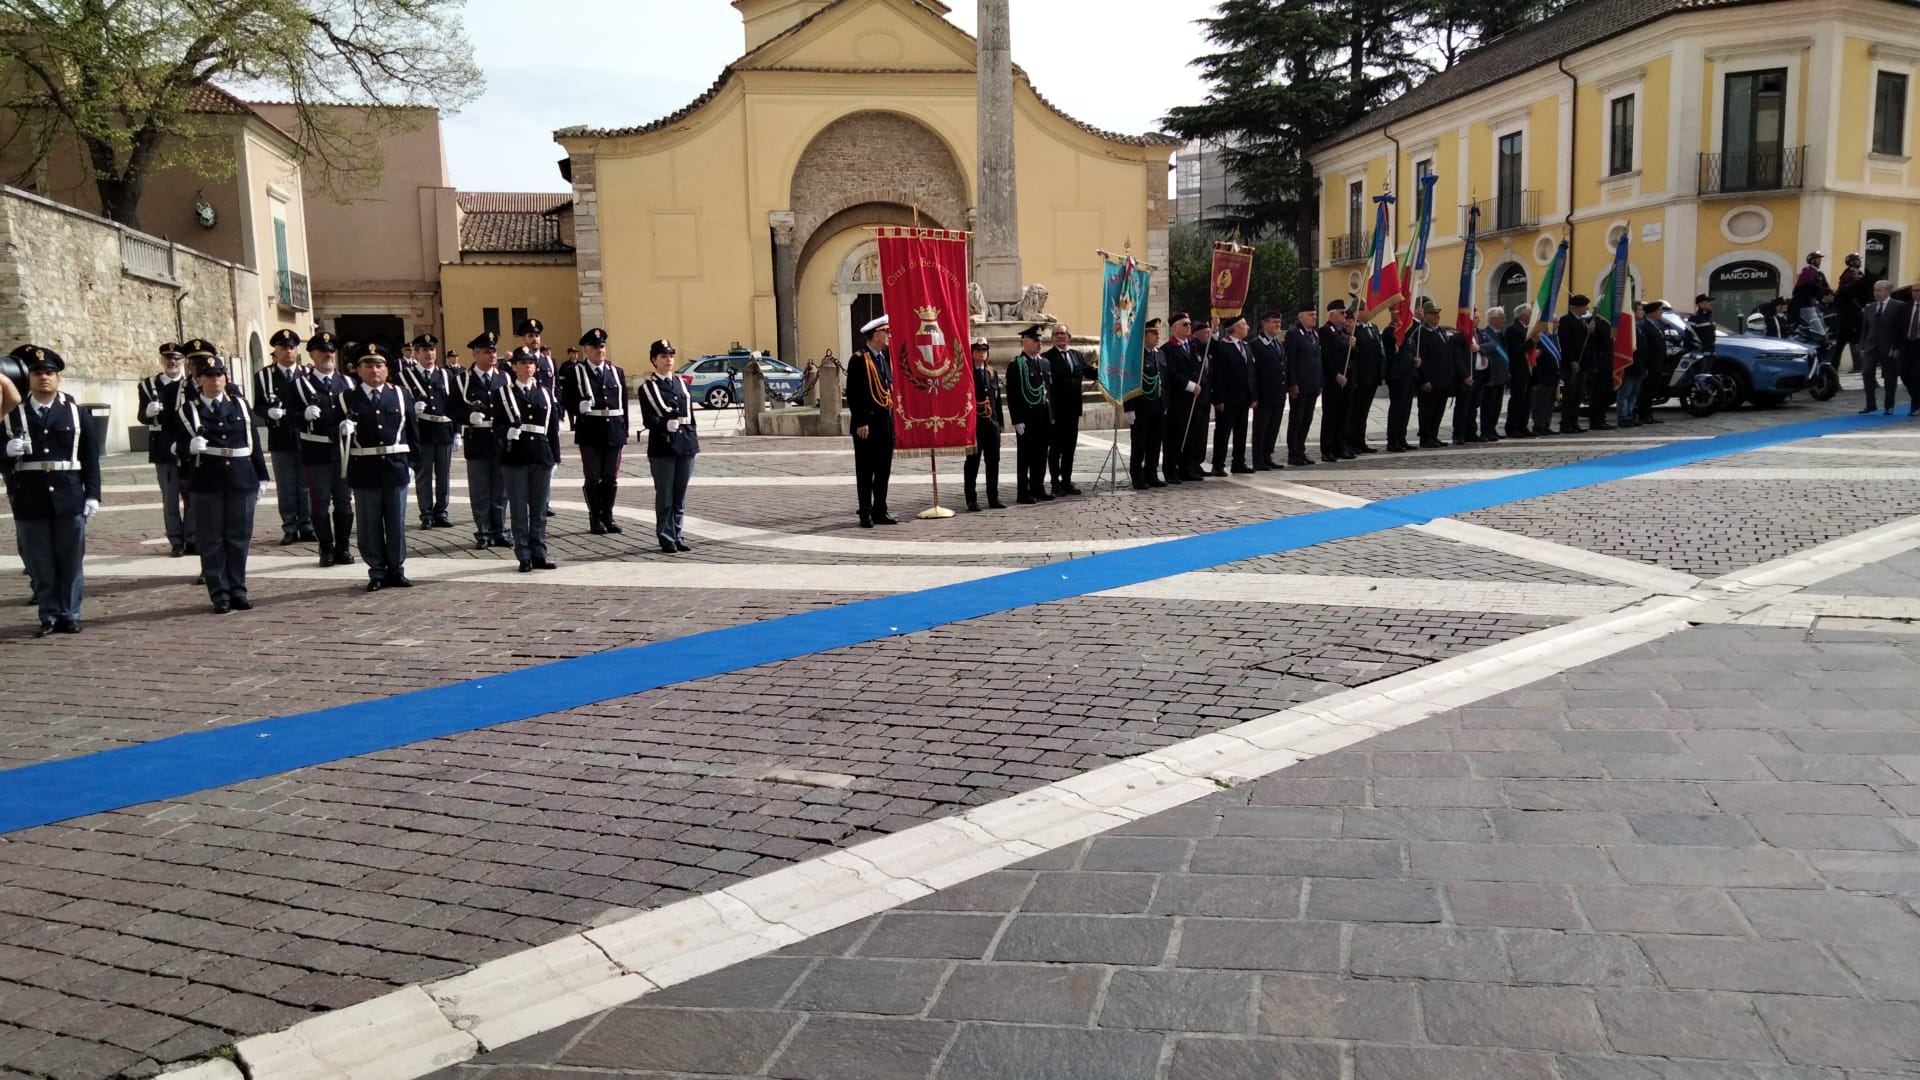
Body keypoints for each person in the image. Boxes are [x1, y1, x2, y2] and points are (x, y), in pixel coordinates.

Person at [4, 345, 100, 635]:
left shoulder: (75, 413)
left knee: (70, 561)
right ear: (28, 379)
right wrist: (6, 452)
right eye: (37, 373)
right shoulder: (11, 415)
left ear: (58, 378)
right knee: (41, 562)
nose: (44, 378)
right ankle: (49, 615)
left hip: (68, 495)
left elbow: (90, 457)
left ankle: (70, 613)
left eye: (50, 373)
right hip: (30, 497)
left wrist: (93, 494)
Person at [181, 353, 268, 613]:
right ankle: (219, 593)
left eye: (219, 374)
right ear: (199, 380)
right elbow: (172, 445)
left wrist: (261, 476)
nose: (215, 379)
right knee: (211, 539)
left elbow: (253, 443)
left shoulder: (240, 405)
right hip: (207, 480)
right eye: (208, 375)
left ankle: (238, 590)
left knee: (239, 537)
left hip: (241, 478)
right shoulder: (189, 409)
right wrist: (188, 446)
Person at [338, 343, 419, 591]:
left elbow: (413, 432)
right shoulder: (346, 398)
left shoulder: (400, 395)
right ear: (358, 371)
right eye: (368, 365)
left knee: (396, 521)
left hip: (395, 467)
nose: (374, 370)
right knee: (369, 523)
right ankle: (376, 571)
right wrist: (341, 430)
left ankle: (396, 569)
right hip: (365, 468)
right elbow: (334, 434)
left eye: (379, 365)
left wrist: (414, 463)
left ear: (387, 369)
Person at [293, 332, 356, 567]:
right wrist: (303, 416)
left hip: (341, 451)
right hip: (316, 450)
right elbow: (291, 417)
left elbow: (356, 410)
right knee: (319, 501)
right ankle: (325, 548)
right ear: (312, 355)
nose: (327, 355)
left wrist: (350, 424)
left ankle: (343, 547)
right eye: (321, 351)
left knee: (343, 500)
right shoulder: (300, 384)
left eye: (330, 351)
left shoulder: (347, 383)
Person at [497, 347, 561, 570]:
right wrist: (506, 432)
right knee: (518, 508)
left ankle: (539, 551)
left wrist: (555, 458)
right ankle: (523, 554)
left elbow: (552, 429)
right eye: (522, 363)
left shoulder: (544, 393)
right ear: (513, 366)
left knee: (539, 508)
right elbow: (495, 425)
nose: (527, 366)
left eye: (531, 363)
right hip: (515, 456)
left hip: (541, 454)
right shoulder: (503, 393)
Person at [564, 328, 630, 535]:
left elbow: (624, 404)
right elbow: (565, 399)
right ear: (585, 349)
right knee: (593, 476)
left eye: (602, 346)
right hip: (590, 431)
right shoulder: (575, 372)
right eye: (594, 347)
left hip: (613, 430)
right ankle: (595, 517)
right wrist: (577, 408)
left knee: (611, 477)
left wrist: (624, 430)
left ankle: (607, 516)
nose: (599, 350)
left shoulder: (615, 371)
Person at [451, 331, 511, 549]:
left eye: (494, 351)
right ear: (476, 354)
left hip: (500, 438)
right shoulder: (462, 380)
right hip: (477, 438)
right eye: (487, 352)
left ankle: (500, 529)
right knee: (480, 489)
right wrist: (467, 417)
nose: (492, 355)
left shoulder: (504, 377)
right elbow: (451, 408)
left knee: (500, 489)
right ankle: (483, 531)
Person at [639, 338, 699, 552]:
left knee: (679, 494)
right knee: (665, 494)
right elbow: (649, 419)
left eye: (671, 355)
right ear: (654, 360)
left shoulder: (682, 383)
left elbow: (690, 415)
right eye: (663, 356)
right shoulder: (648, 387)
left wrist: (692, 438)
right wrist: (665, 424)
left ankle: (678, 533)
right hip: (663, 447)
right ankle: (666, 536)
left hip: (685, 443)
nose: (668, 360)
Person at [254, 328, 313, 545]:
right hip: (280, 437)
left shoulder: (307, 374)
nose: (288, 352)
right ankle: (289, 526)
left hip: (306, 436)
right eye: (283, 348)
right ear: (275, 351)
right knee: (286, 485)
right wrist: (267, 412)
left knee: (306, 484)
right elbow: (257, 405)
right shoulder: (264, 376)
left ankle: (307, 525)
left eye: (291, 347)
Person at [138, 342, 192, 555]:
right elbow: (141, 416)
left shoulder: (189, 385)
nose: (173, 362)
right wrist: (148, 413)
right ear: (162, 359)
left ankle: (192, 537)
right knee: (170, 499)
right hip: (162, 448)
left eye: (177, 358)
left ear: (183, 361)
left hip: (186, 447)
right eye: (169, 357)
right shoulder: (148, 385)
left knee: (191, 497)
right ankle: (176, 541)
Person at [398, 333, 455, 529]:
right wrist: (411, 409)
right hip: (421, 430)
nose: (429, 354)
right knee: (423, 475)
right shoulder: (405, 376)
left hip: (443, 430)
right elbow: (399, 405)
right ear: (416, 353)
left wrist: (456, 432)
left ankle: (442, 511)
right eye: (424, 350)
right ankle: (426, 513)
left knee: (443, 475)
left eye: (432, 349)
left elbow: (451, 404)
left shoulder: (446, 375)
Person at [846, 315, 897, 525]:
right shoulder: (859, 359)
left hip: (884, 423)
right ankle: (865, 511)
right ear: (876, 334)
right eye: (886, 332)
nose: (889, 336)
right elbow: (854, 394)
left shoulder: (882, 359)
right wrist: (861, 421)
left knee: (883, 470)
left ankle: (880, 509)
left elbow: (886, 391)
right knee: (866, 470)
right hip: (867, 425)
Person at [1041, 324, 1094, 495]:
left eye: (1063, 334)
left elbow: (1089, 372)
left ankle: (1067, 480)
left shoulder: (1076, 355)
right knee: (1056, 448)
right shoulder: (1047, 357)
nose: (1060, 337)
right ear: (1052, 338)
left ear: (1069, 337)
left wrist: (1107, 371)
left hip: (1073, 409)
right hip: (1056, 410)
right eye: (1056, 334)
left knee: (1070, 448)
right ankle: (1055, 482)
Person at [1007, 323, 1055, 502]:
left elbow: (1050, 391)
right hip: (1027, 418)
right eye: (1035, 340)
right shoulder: (1017, 365)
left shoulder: (1044, 363)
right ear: (1025, 341)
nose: (1039, 344)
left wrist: (1052, 415)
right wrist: (1017, 419)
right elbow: (1012, 395)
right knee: (1025, 457)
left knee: (1042, 455)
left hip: (1043, 416)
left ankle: (1038, 487)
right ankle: (1023, 492)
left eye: (1040, 341)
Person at [1160, 312, 1208, 482]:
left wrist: (1215, 328)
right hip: (1178, 400)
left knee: (1192, 435)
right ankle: (1170, 470)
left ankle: (1187, 468)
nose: (1189, 327)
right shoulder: (1168, 349)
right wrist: (1189, 385)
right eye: (1185, 324)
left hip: (1195, 400)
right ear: (1174, 328)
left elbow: (1211, 348)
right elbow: (1171, 373)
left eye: (1189, 324)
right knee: (1174, 437)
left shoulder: (1194, 345)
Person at [1208, 315, 1256, 474]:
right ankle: (1218, 464)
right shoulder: (1223, 346)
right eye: (1244, 325)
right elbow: (1218, 375)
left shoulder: (1246, 346)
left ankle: (1238, 462)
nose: (1247, 327)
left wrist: (1253, 396)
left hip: (1243, 397)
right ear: (1235, 328)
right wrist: (1218, 399)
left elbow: (1250, 373)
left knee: (1241, 433)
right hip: (1228, 399)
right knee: (1223, 433)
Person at [963, 337, 1005, 509]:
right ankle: (971, 499)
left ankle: (993, 497)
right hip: (975, 425)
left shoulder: (992, 372)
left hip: (991, 424)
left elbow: (997, 401)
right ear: (972, 352)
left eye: (984, 350)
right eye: (978, 350)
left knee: (993, 461)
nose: (982, 353)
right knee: (973, 462)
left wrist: (1000, 423)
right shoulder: (967, 373)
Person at [1860, 280, 1909, 415]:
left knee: (1890, 377)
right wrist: (1862, 346)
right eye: (1875, 290)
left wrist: (1897, 347)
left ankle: (1889, 405)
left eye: (1879, 290)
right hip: (1871, 347)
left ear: (1888, 291)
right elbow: (1865, 328)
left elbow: (1901, 329)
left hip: (1889, 347)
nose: (1876, 293)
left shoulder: (1898, 306)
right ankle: (1870, 404)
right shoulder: (1870, 307)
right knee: (1867, 372)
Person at [1126, 320, 1166, 488]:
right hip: (1141, 407)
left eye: (1157, 333)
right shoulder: (1135, 356)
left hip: (1157, 406)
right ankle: (1137, 475)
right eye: (1154, 333)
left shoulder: (1159, 354)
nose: (1157, 337)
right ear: (1145, 336)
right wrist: (1129, 409)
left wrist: (1166, 404)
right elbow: (1127, 382)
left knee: (1155, 443)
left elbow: (1164, 379)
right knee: (1139, 443)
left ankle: (1152, 473)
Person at [1283, 302, 1322, 465]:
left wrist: (1320, 382)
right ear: (1301, 317)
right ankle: (1293, 452)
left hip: (1313, 384)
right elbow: (1290, 360)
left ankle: (1301, 449)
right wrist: (1292, 383)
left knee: (1307, 419)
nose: (1314, 317)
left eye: (1315, 314)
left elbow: (1318, 359)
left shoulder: (1314, 334)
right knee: (1296, 419)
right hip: (1300, 384)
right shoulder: (1294, 334)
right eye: (1311, 315)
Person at [1249, 309, 1288, 469]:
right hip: (1264, 394)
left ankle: (1267, 455)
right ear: (1265, 324)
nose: (1278, 325)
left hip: (1278, 393)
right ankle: (1258, 459)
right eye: (1274, 322)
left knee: (1273, 427)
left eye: (1279, 322)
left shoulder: (1277, 343)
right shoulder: (1256, 345)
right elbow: (1253, 373)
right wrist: (1254, 395)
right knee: (1261, 428)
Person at [1347, 304, 1386, 455]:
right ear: (1359, 311)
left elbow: (1378, 351)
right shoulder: (1355, 329)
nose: (1370, 312)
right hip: (1360, 377)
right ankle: (1351, 441)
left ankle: (1360, 441)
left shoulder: (1374, 328)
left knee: (1364, 413)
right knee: (1355, 413)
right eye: (1366, 309)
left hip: (1372, 377)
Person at [1317, 301, 1353, 461]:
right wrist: (1335, 374)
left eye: (1345, 313)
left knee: (1343, 414)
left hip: (1346, 380)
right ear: (1332, 314)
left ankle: (1340, 446)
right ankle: (1328, 448)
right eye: (1341, 313)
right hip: (1333, 381)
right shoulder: (1325, 331)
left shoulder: (1343, 332)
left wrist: (1352, 344)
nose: (1345, 316)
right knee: (1331, 415)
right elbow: (1326, 357)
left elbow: (1351, 355)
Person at [1384, 306, 1420, 452]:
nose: (1397, 314)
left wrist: (1415, 359)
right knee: (1397, 409)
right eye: (1395, 311)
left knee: (1405, 409)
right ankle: (1393, 440)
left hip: (1408, 374)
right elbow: (1396, 352)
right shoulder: (1390, 331)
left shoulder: (1405, 331)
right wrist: (1414, 318)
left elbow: (1409, 348)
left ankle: (1401, 438)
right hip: (1397, 375)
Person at [1558, 295, 1596, 434]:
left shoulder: (1582, 321)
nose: (1587, 308)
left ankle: (1574, 422)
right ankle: (1566, 423)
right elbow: (1565, 343)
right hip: (1572, 364)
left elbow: (1586, 342)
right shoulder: (1566, 321)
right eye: (1585, 306)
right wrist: (1572, 360)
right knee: (1570, 395)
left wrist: (1590, 332)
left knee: (1578, 395)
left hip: (1584, 363)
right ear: (1576, 307)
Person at [1477, 308, 1511, 441]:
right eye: (1501, 317)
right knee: (1488, 405)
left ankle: (1492, 428)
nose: (1504, 319)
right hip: (1491, 375)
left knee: (1497, 405)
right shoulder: (1486, 334)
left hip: (1501, 375)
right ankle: (1486, 430)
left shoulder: (1501, 334)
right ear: (1492, 319)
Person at [1447, 313, 1480, 445]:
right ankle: (1459, 434)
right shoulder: (1459, 337)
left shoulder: (1478, 335)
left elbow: (1491, 345)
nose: (1478, 320)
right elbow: (1457, 358)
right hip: (1465, 377)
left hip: (1477, 376)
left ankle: (1470, 432)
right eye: (1475, 317)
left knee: (1473, 406)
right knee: (1462, 407)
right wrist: (1465, 375)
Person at [1502, 305, 1533, 437]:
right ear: (1522, 316)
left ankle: (1523, 425)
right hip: (1518, 370)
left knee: (1527, 400)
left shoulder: (1527, 329)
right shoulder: (1512, 329)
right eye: (1529, 314)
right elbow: (1516, 349)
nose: (1531, 317)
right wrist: (1532, 342)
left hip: (1528, 369)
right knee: (1517, 400)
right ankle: (1512, 427)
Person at [1528, 317, 1561, 437]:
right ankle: (1538, 426)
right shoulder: (1540, 336)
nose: (1557, 324)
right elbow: (1536, 352)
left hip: (1553, 374)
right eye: (1555, 322)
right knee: (1540, 402)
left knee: (1549, 403)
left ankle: (1546, 425)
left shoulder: (1553, 336)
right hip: (1542, 374)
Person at [1792, 251, 1831, 337]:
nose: (1820, 261)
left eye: (1820, 259)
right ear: (1812, 260)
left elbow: (1826, 288)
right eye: (1817, 259)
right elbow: (1804, 288)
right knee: (1815, 325)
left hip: (1817, 304)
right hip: (1807, 304)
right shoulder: (1807, 272)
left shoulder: (1820, 274)